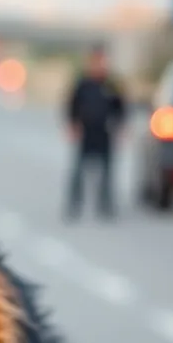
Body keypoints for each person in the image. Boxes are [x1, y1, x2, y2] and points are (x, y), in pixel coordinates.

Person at [64, 44, 127, 221]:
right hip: (86, 132)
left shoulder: (112, 84)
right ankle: (74, 205)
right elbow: (71, 105)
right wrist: (72, 125)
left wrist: (121, 127)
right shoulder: (82, 83)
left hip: (105, 132)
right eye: (96, 61)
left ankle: (105, 206)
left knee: (107, 172)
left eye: (102, 61)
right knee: (78, 171)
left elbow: (121, 108)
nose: (99, 64)